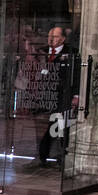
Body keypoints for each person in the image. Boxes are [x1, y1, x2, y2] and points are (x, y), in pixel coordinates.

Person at [27, 25, 77, 172]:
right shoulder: (41, 52)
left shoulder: (71, 53)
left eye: (54, 37)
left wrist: (76, 95)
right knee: (49, 127)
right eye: (49, 36)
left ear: (62, 39)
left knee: (60, 126)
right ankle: (45, 155)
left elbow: (75, 76)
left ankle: (56, 156)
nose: (51, 39)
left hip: (62, 97)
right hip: (44, 97)